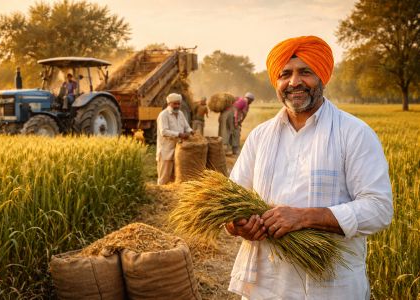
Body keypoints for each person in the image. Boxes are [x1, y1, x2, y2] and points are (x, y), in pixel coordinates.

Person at [224, 36, 393, 299]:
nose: (294, 82)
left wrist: (304, 217)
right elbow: (231, 203)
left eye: (305, 72)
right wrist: (239, 225)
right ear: (276, 82)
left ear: (322, 76)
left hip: (331, 286)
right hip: (265, 287)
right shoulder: (260, 136)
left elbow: (379, 209)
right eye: (285, 74)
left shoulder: (354, 133)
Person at [156, 93, 193, 185]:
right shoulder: (163, 115)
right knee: (164, 176)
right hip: (166, 149)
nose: (177, 106)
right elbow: (163, 132)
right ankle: (161, 193)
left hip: (178, 149)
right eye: (175, 104)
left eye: (178, 104)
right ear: (169, 103)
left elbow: (186, 127)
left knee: (175, 176)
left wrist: (191, 131)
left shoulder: (180, 114)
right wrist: (179, 134)